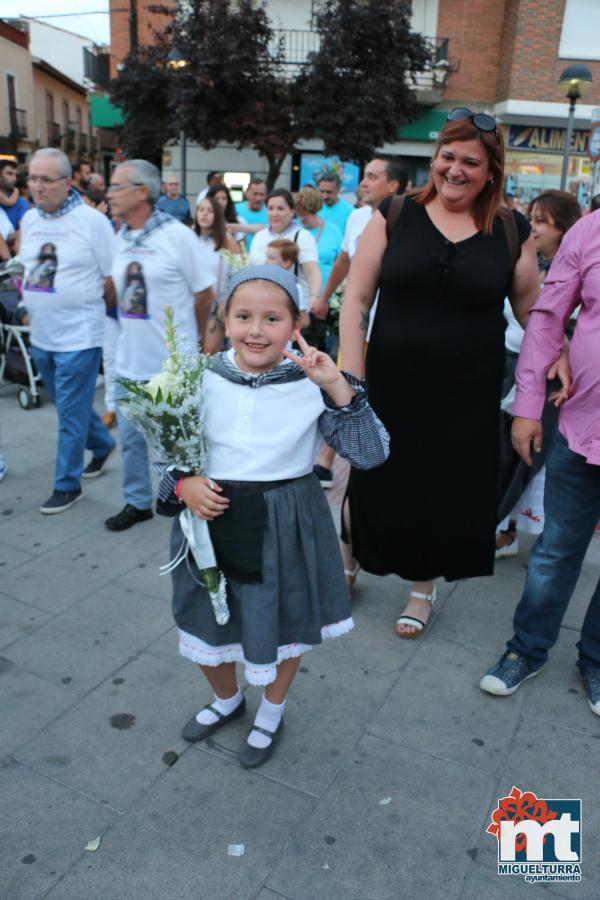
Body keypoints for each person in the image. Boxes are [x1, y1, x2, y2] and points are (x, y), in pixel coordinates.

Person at [156, 265, 389, 768]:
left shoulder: (314, 381)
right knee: (205, 619)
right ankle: (227, 700)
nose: (256, 330)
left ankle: (271, 711)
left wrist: (338, 390)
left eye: (272, 318)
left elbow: (371, 453)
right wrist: (181, 483)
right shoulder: (196, 375)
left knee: (283, 620)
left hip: (286, 520)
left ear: (296, 322)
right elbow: (165, 445)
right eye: (243, 316)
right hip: (210, 519)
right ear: (224, 317)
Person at [339, 109, 541, 636]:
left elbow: (531, 313)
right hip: (388, 383)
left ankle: (421, 589)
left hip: (465, 394)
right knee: (370, 478)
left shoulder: (511, 230)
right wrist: (350, 379)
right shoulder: (396, 213)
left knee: (438, 488)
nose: (454, 169)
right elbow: (357, 298)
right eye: (446, 157)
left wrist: (560, 351)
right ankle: (347, 564)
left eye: (470, 161)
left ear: (492, 171)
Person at [479, 206, 600, 717]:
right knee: (556, 549)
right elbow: (548, 319)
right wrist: (526, 408)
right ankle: (526, 649)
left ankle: (595, 659)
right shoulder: (590, 229)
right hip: (582, 426)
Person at [105, 159, 216, 531]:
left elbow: (204, 294)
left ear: (141, 192)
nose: (109, 194)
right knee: (132, 442)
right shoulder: (118, 236)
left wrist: (194, 340)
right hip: (128, 360)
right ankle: (136, 501)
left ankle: (182, 498)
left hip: (169, 365)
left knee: (173, 445)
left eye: (117, 187)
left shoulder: (176, 236)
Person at [19, 148, 116, 513]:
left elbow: (112, 280)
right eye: (33, 178)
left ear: (68, 181)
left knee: (69, 414)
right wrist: (30, 307)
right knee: (66, 404)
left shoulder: (92, 223)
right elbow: (28, 269)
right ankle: (103, 444)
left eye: (46, 180)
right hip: (42, 334)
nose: (38, 187)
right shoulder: (29, 220)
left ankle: (67, 484)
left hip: (80, 335)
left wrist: (89, 312)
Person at [496, 190, 582, 558]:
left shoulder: (575, 267)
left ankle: (539, 542)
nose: (533, 228)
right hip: (513, 366)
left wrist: (562, 346)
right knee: (510, 455)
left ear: (565, 228)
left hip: (554, 381)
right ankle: (506, 530)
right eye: (531, 219)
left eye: (542, 221)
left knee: (536, 462)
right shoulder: (531, 261)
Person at [313, 157, 406, 487]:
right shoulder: (355, 217)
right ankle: (326, 460)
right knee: (343, 386)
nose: (363, 183)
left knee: (377, 398)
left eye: (372, 177)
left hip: (392, 330)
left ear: (393, 185)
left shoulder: (406, 219)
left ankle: (375, 463)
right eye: (364, 176)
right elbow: (343, 260)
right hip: (357, 326)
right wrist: (324, 296)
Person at [249, 188, 322, 315]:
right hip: (260, 304)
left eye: (280, 209)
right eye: (270, 208)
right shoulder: (259, 236)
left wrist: (314, 296)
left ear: (292, 211)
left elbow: (312, 270)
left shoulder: (302, 236)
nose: (274, 213)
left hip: (292, 306)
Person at [194, 194, 241, 353]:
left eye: (209, 211)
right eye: (201, 210)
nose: (204, 214)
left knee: (208, 354)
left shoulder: (227, 240)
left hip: (215, 306)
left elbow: (239, 273)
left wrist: (226, 301)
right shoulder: (190, 239)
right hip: (191, 305)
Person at [265, 238, 309, 329]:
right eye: (266, 257)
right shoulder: (257, 284)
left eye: (271, 258)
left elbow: (304, 320)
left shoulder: (294, 288)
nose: (266, 261)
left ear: (286, 263)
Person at [234, 177, 268, 250]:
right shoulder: (234, 210)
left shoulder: (271, 212)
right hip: (239, 259)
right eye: (255, 194)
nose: (258, 198)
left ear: (265, 196)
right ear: (246, 193)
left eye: (261, 194)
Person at [318, 171, 353, 236]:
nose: (325, 196)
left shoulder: (350, 212)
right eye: (322, 191)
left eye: (329, 192)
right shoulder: (314, 208)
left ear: (338, 189)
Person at [0, 159, 29, 230]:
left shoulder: (20, 203)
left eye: (15, 175)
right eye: (9, 174)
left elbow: (24, 232)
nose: (14, 178)